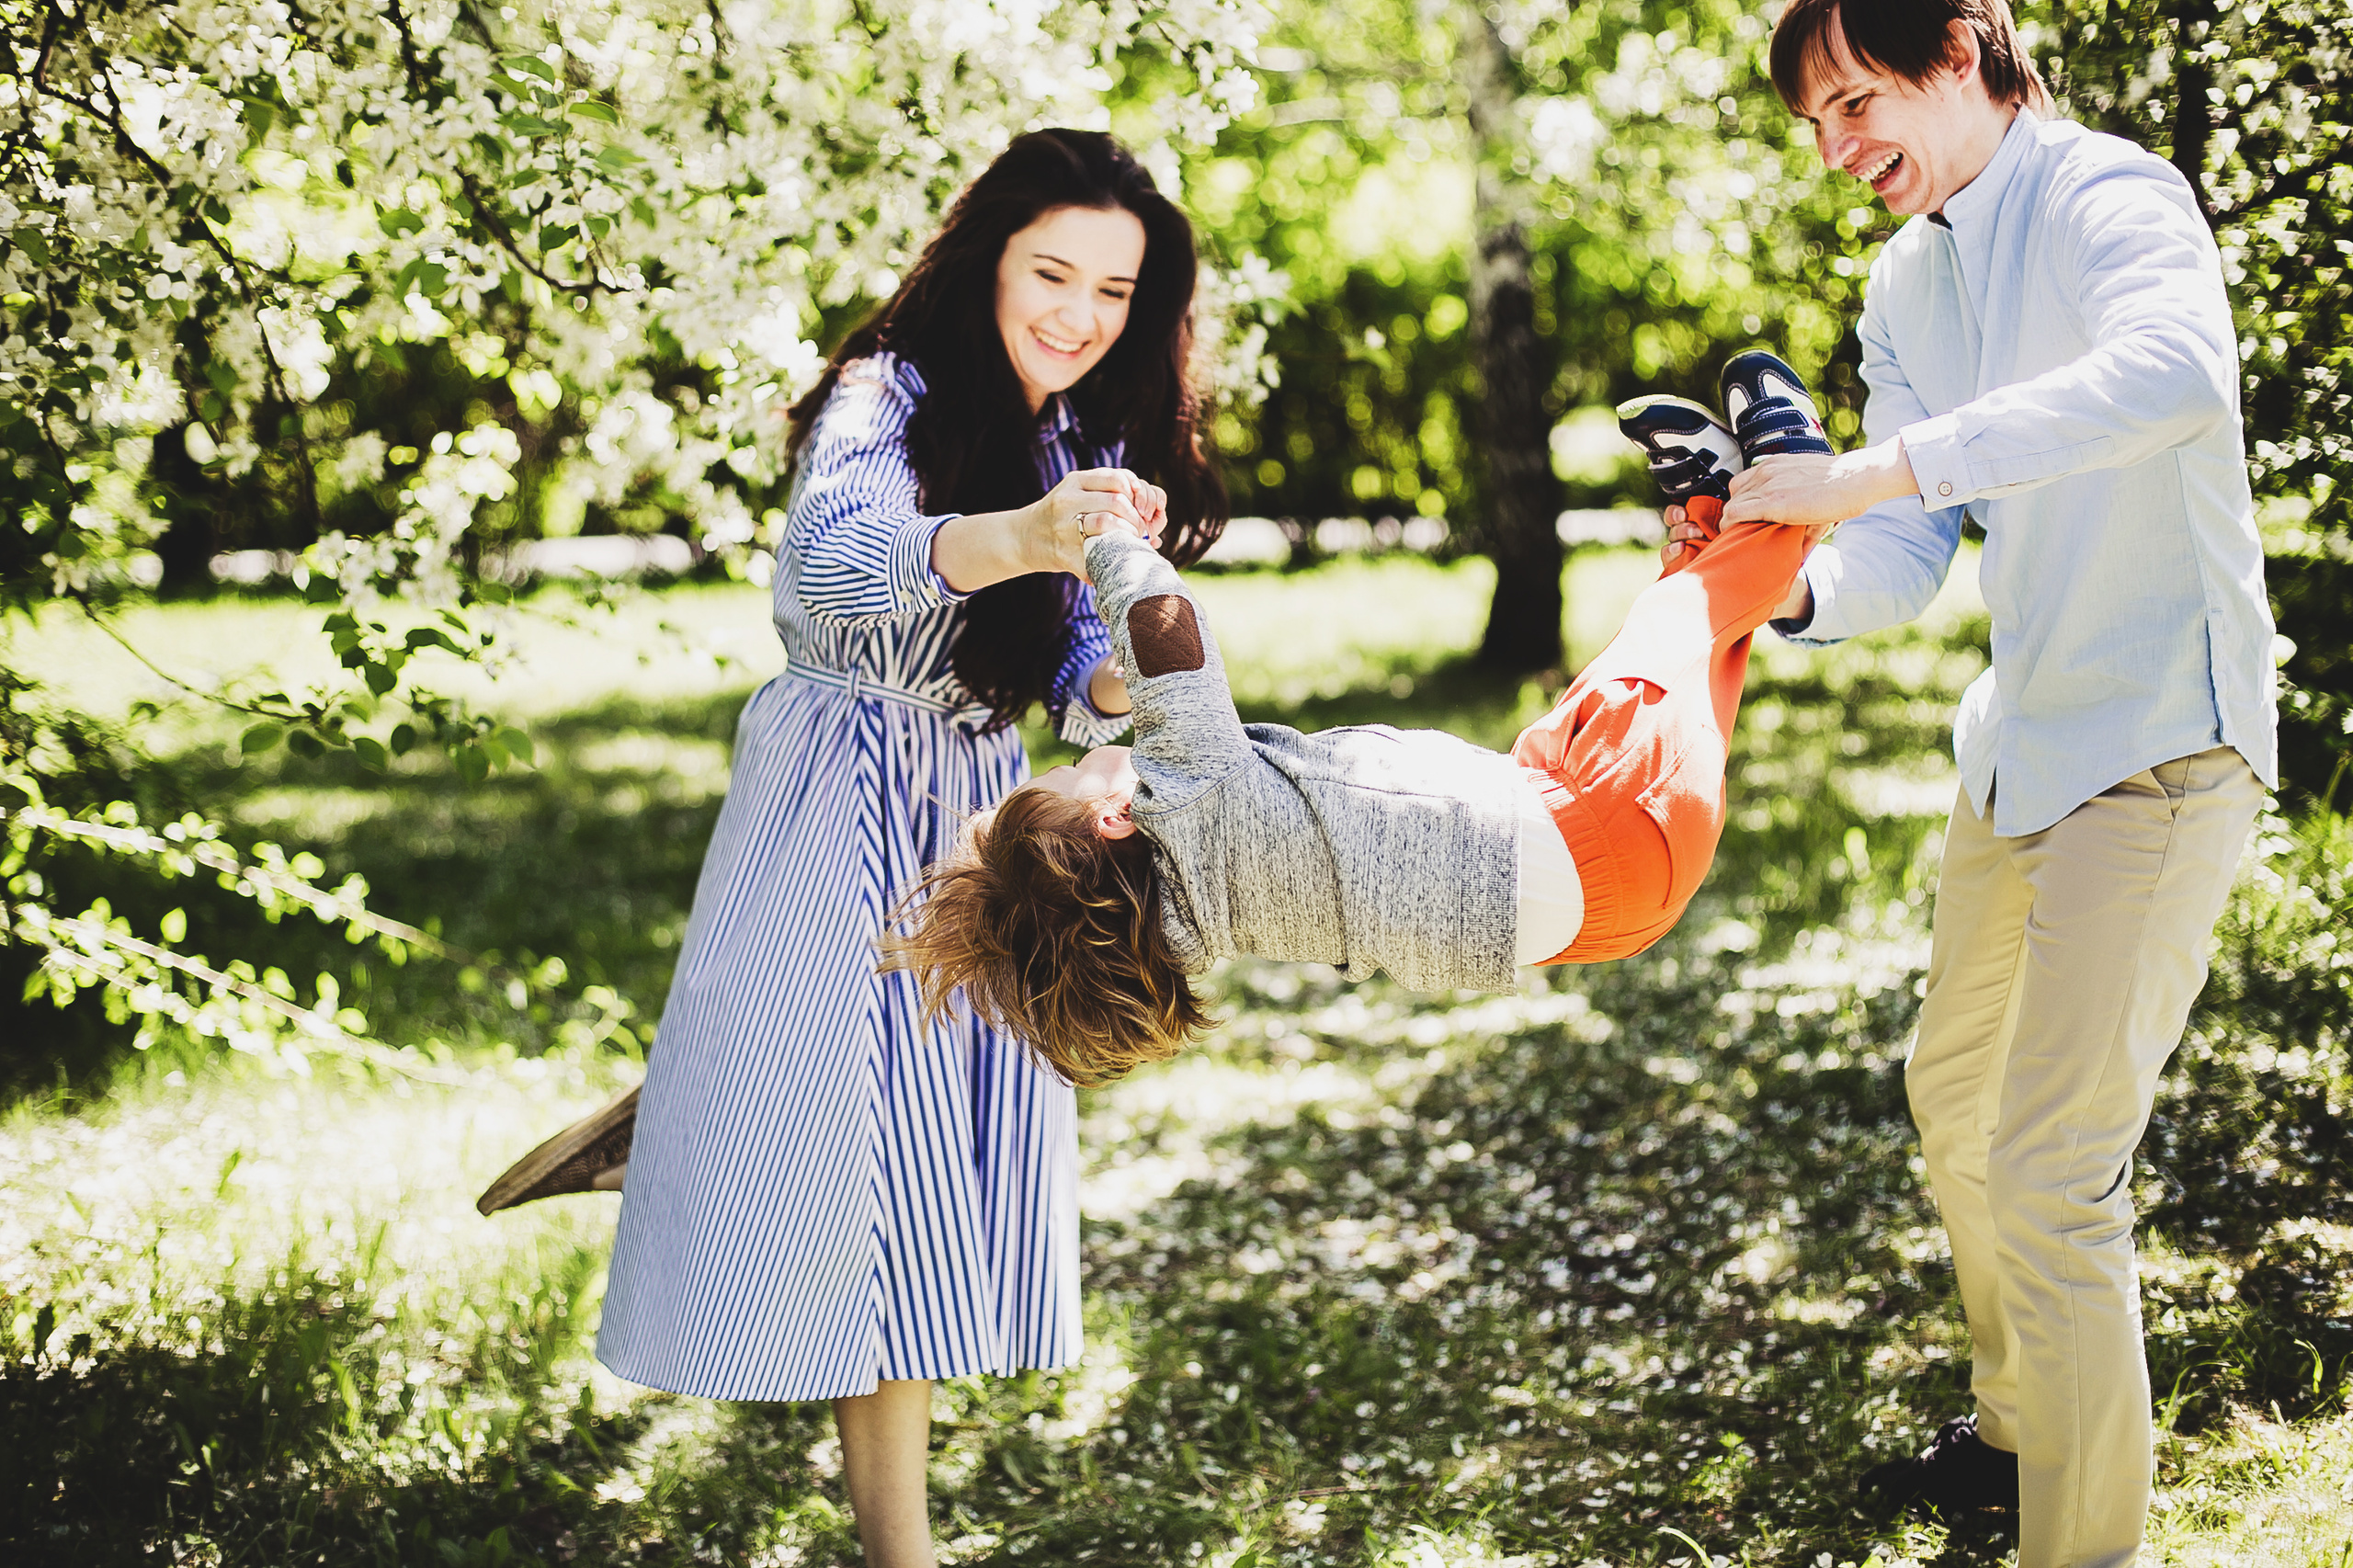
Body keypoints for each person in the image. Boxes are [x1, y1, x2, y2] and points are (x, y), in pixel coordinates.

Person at [493, 130, 1225, 1568]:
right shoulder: (882, 393)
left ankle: (695, 1117)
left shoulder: (1078, 443)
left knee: (910, 1180)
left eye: (1116, 291)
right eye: (1053, 272)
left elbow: (1082, 680)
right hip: (836, 781)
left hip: (969, 798)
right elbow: (827, 566)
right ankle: (902, 1544)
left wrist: (1143, 621)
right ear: (990, 262)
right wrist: (1021, 531)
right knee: (875, 1181)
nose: (1080, 313)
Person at [1671, 5, 2276, 1563]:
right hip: (2021, 750)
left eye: (1857, 100)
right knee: (1958, 1105)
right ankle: (2017, 1433)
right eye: (1815, 123)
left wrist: (1873, 474)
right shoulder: (1905, 278)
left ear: (1961, 54)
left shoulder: (2111, 197)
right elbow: (1906, 553)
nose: (1836, 148)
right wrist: (1780, 580)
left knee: (2056, 1177)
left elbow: (2175, 375)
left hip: (2160, 743)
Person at [881, 355, 1832, 1086]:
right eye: (1068, 773)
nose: (1084, 757)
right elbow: (1165, 640)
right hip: (1599, 838)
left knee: (1646, 667)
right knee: (1675, 635)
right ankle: (1794, 485)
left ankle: (1708, 511)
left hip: (1589, 877)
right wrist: (1112, 543)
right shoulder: (1191, 801)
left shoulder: (1198, 916)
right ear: (1115, 816)